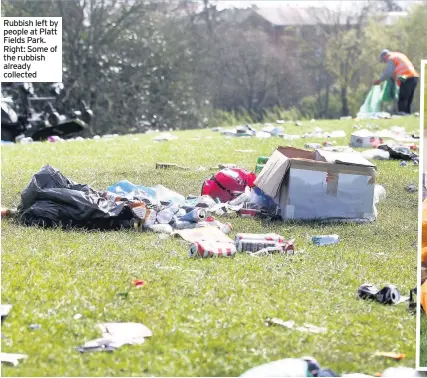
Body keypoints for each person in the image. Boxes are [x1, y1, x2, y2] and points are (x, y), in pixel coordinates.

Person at [374, 49, 419, 115]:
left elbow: (388, 72)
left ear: (385, 55)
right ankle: (407, 114)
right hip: (414, 76)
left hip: (406, 77)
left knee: (403, 97)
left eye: (384, 60)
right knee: (408, 97)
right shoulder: (399, 55)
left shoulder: (391, 58)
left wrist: (379, 80)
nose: (385, 62)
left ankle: (402, 113)